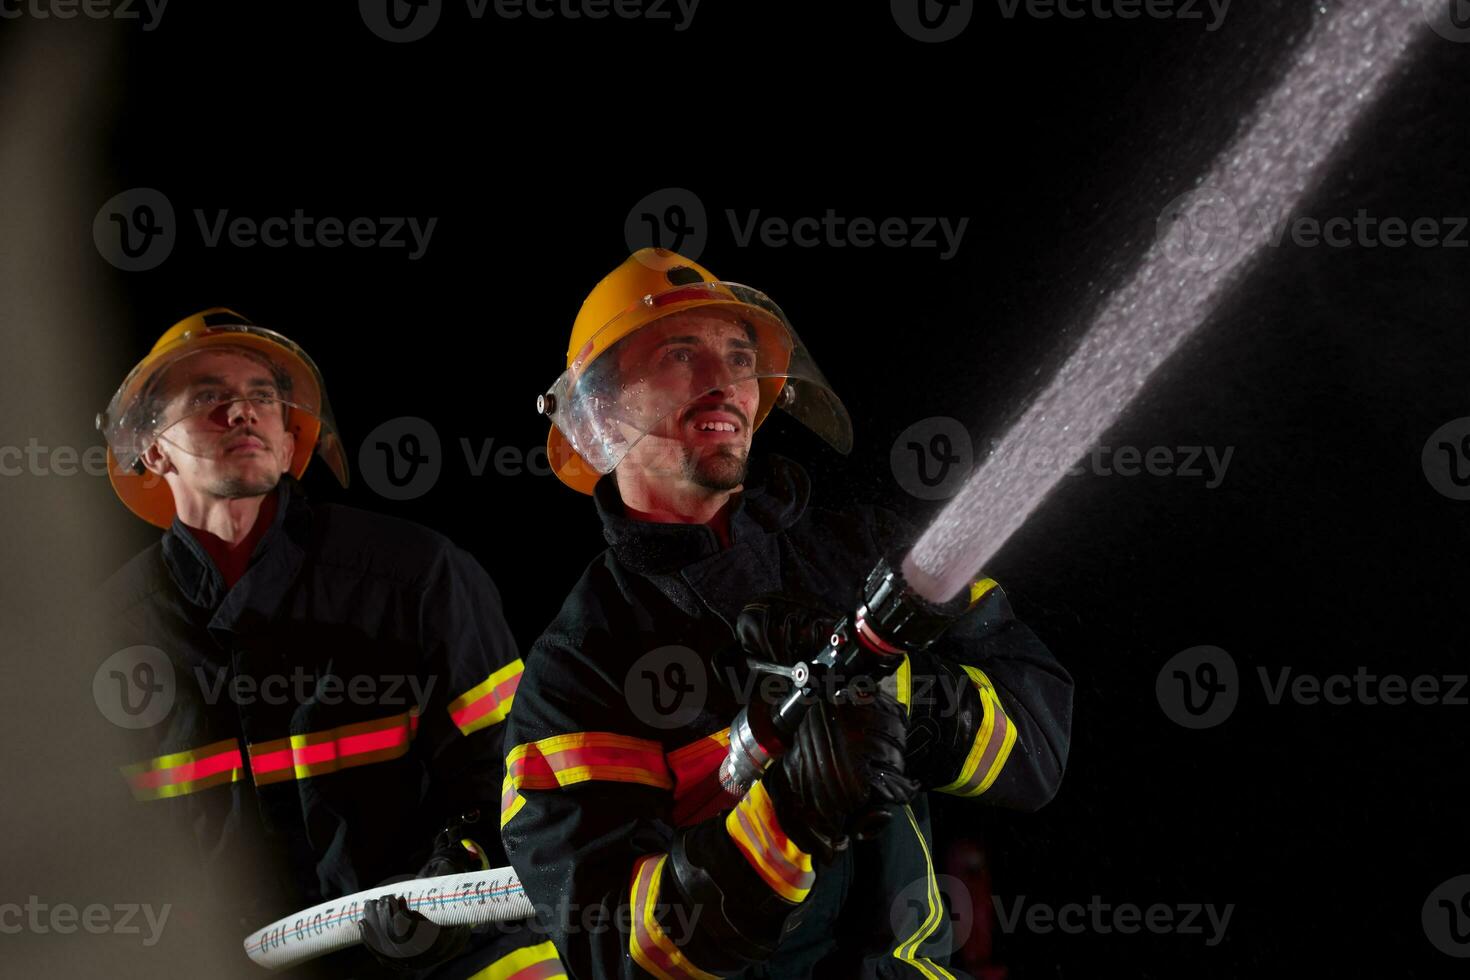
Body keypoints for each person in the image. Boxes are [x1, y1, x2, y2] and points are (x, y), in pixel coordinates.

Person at [501, 248, 1073, 978]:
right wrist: (792, 813)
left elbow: (1041, 738)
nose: (724, 384)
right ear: (604, 405)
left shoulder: (872, 554)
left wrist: (907, 702)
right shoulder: (576, 667)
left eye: (740, 358)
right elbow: (621, 948)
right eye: (682, 354)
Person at [95, 308, 564, 978]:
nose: (243, 412)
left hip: (457, 958)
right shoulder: (109, 637)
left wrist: (457, 885)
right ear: (152, 449)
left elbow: (521, 774)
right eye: (207, 398)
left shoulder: (416, 576)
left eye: (263, 397)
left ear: (290, 445)